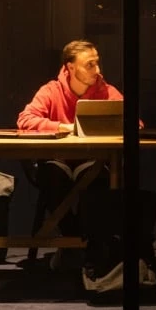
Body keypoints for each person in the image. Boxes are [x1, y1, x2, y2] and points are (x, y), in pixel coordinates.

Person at [16, 40, 121, 239]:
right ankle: (75, 241)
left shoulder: (106, 91)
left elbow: (136, 123)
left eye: (97, 63)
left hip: (92, 160)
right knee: (52, 176)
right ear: (70, 67)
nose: (97, 70)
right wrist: (64, 127)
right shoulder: (51, 90)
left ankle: (80, 244)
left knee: (97, 178)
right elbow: (25, 119)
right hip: (57, 159)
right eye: (89, 64)